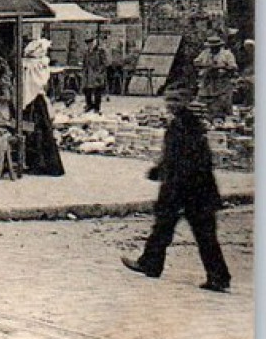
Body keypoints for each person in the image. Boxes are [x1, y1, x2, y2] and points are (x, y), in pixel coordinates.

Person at [122, 88, 231, 292]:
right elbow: (175, 157)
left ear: (185, 102)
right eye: (169, 99)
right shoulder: (183, 123)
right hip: (188, 188)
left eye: (176, 100)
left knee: (202, 235)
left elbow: (189, 160)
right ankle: (150, 263)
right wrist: (160, 170)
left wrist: (170, 179)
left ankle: (218, 277)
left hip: (191, 190)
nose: (170, 104)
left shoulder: (185, 125)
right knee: (165, 227)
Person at [193, 36, 239, 118]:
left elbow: (233, 67)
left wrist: (221, 67)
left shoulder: (226, 54)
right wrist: (206, 66)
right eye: (211, 47)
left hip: (222, 82)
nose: (212, 49)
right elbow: (196, 62)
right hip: (207, 81)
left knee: (222, 103)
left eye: (214, 47)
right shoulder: (205, 53)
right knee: (204, 103)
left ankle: (223, 119)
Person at [81, 35, 110, 114]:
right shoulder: (86, 52)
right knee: (87, 90)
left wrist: (100, 71)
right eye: (88, 43)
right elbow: (84, 62)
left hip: (97, 73)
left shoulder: (100, 51)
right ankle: (89, 105)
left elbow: (105, 63)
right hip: (88, 73)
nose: (89, 44)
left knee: (97, 91)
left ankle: (97, 107)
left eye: (91, 42)